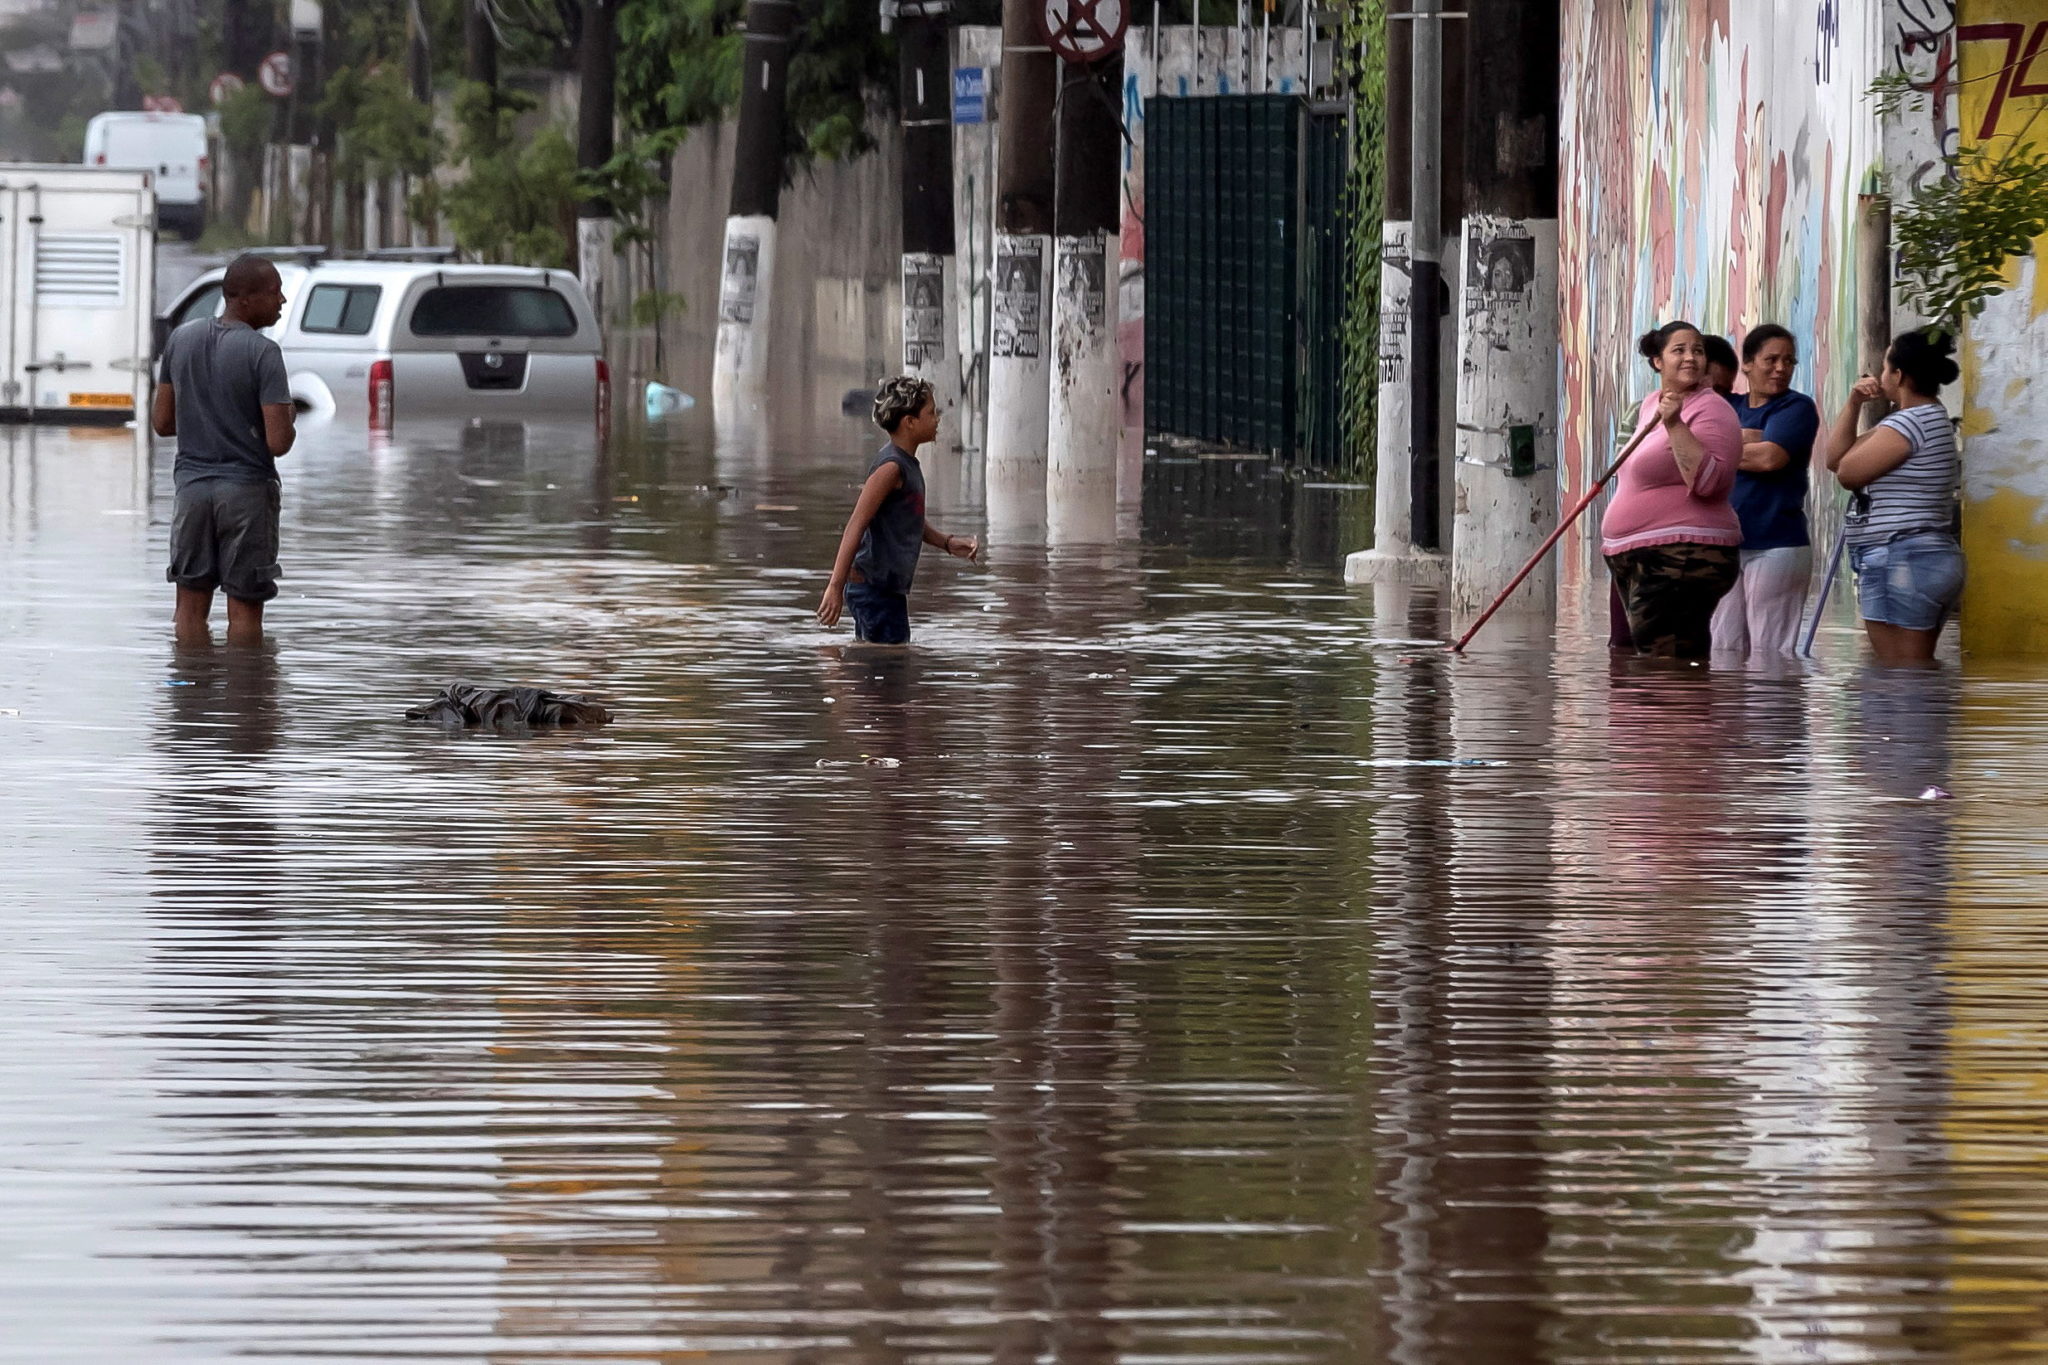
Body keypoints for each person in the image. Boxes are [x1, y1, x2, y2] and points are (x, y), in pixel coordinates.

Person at [151, 254, 295, 646]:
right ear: (245, 299)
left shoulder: (181, 339)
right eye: (274, 292)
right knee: (245, 610)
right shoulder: (264, 353)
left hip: (192, 494)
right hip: (247, 495)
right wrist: (288, 414)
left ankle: (191, 696)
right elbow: (278, 443)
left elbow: (162, 423)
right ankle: (245, 700)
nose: (282, 300)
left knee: (189, 607)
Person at [1600, 321, 1744, 658]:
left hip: (1682, 555)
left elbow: (1709, 483)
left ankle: (1679, 713)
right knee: (1651, 663)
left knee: (1667, 662)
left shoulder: (1712, 409)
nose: (1691, 357)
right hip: (1639, 555)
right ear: (1657, 361)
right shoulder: (1651, 404)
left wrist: (1675, 424)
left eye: (1697, 350)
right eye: (1679, 350)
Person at [1825, 328, 1964, 665]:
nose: (1880, 375)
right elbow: (1835, 458)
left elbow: (1846, 473)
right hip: (1923, 558)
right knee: (1915, 669)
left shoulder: (1909, 424)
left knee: (1899, 673)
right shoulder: (1926, 418)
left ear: (1899, 375)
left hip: (1900, 558)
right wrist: (1853, 403)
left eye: (1885, 368)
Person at [816, 376, 978, 644]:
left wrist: (948, 543)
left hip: (886, 589)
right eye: (930, 413)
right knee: (888, 668)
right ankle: (839, 681)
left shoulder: (907, 464)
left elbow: (908, 519)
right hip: (873, 588)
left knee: (884, 664)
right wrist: (835, 586)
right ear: (910, 422)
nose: (937, 418)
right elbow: (856, 524)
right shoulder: (891, 468)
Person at [1711, 324, 1821, 655]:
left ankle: (1776, 710)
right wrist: (1750, 440)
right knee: (1722, 648)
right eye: (1770, 359)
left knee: (1771, 651)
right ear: (1746, 363)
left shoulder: (1795, 407)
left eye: (1789, 361)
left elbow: (1770, 458)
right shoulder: (1728, 406)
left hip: (1778, 544)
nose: (1780, 368)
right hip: (1726, 543)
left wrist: (1717, 451)